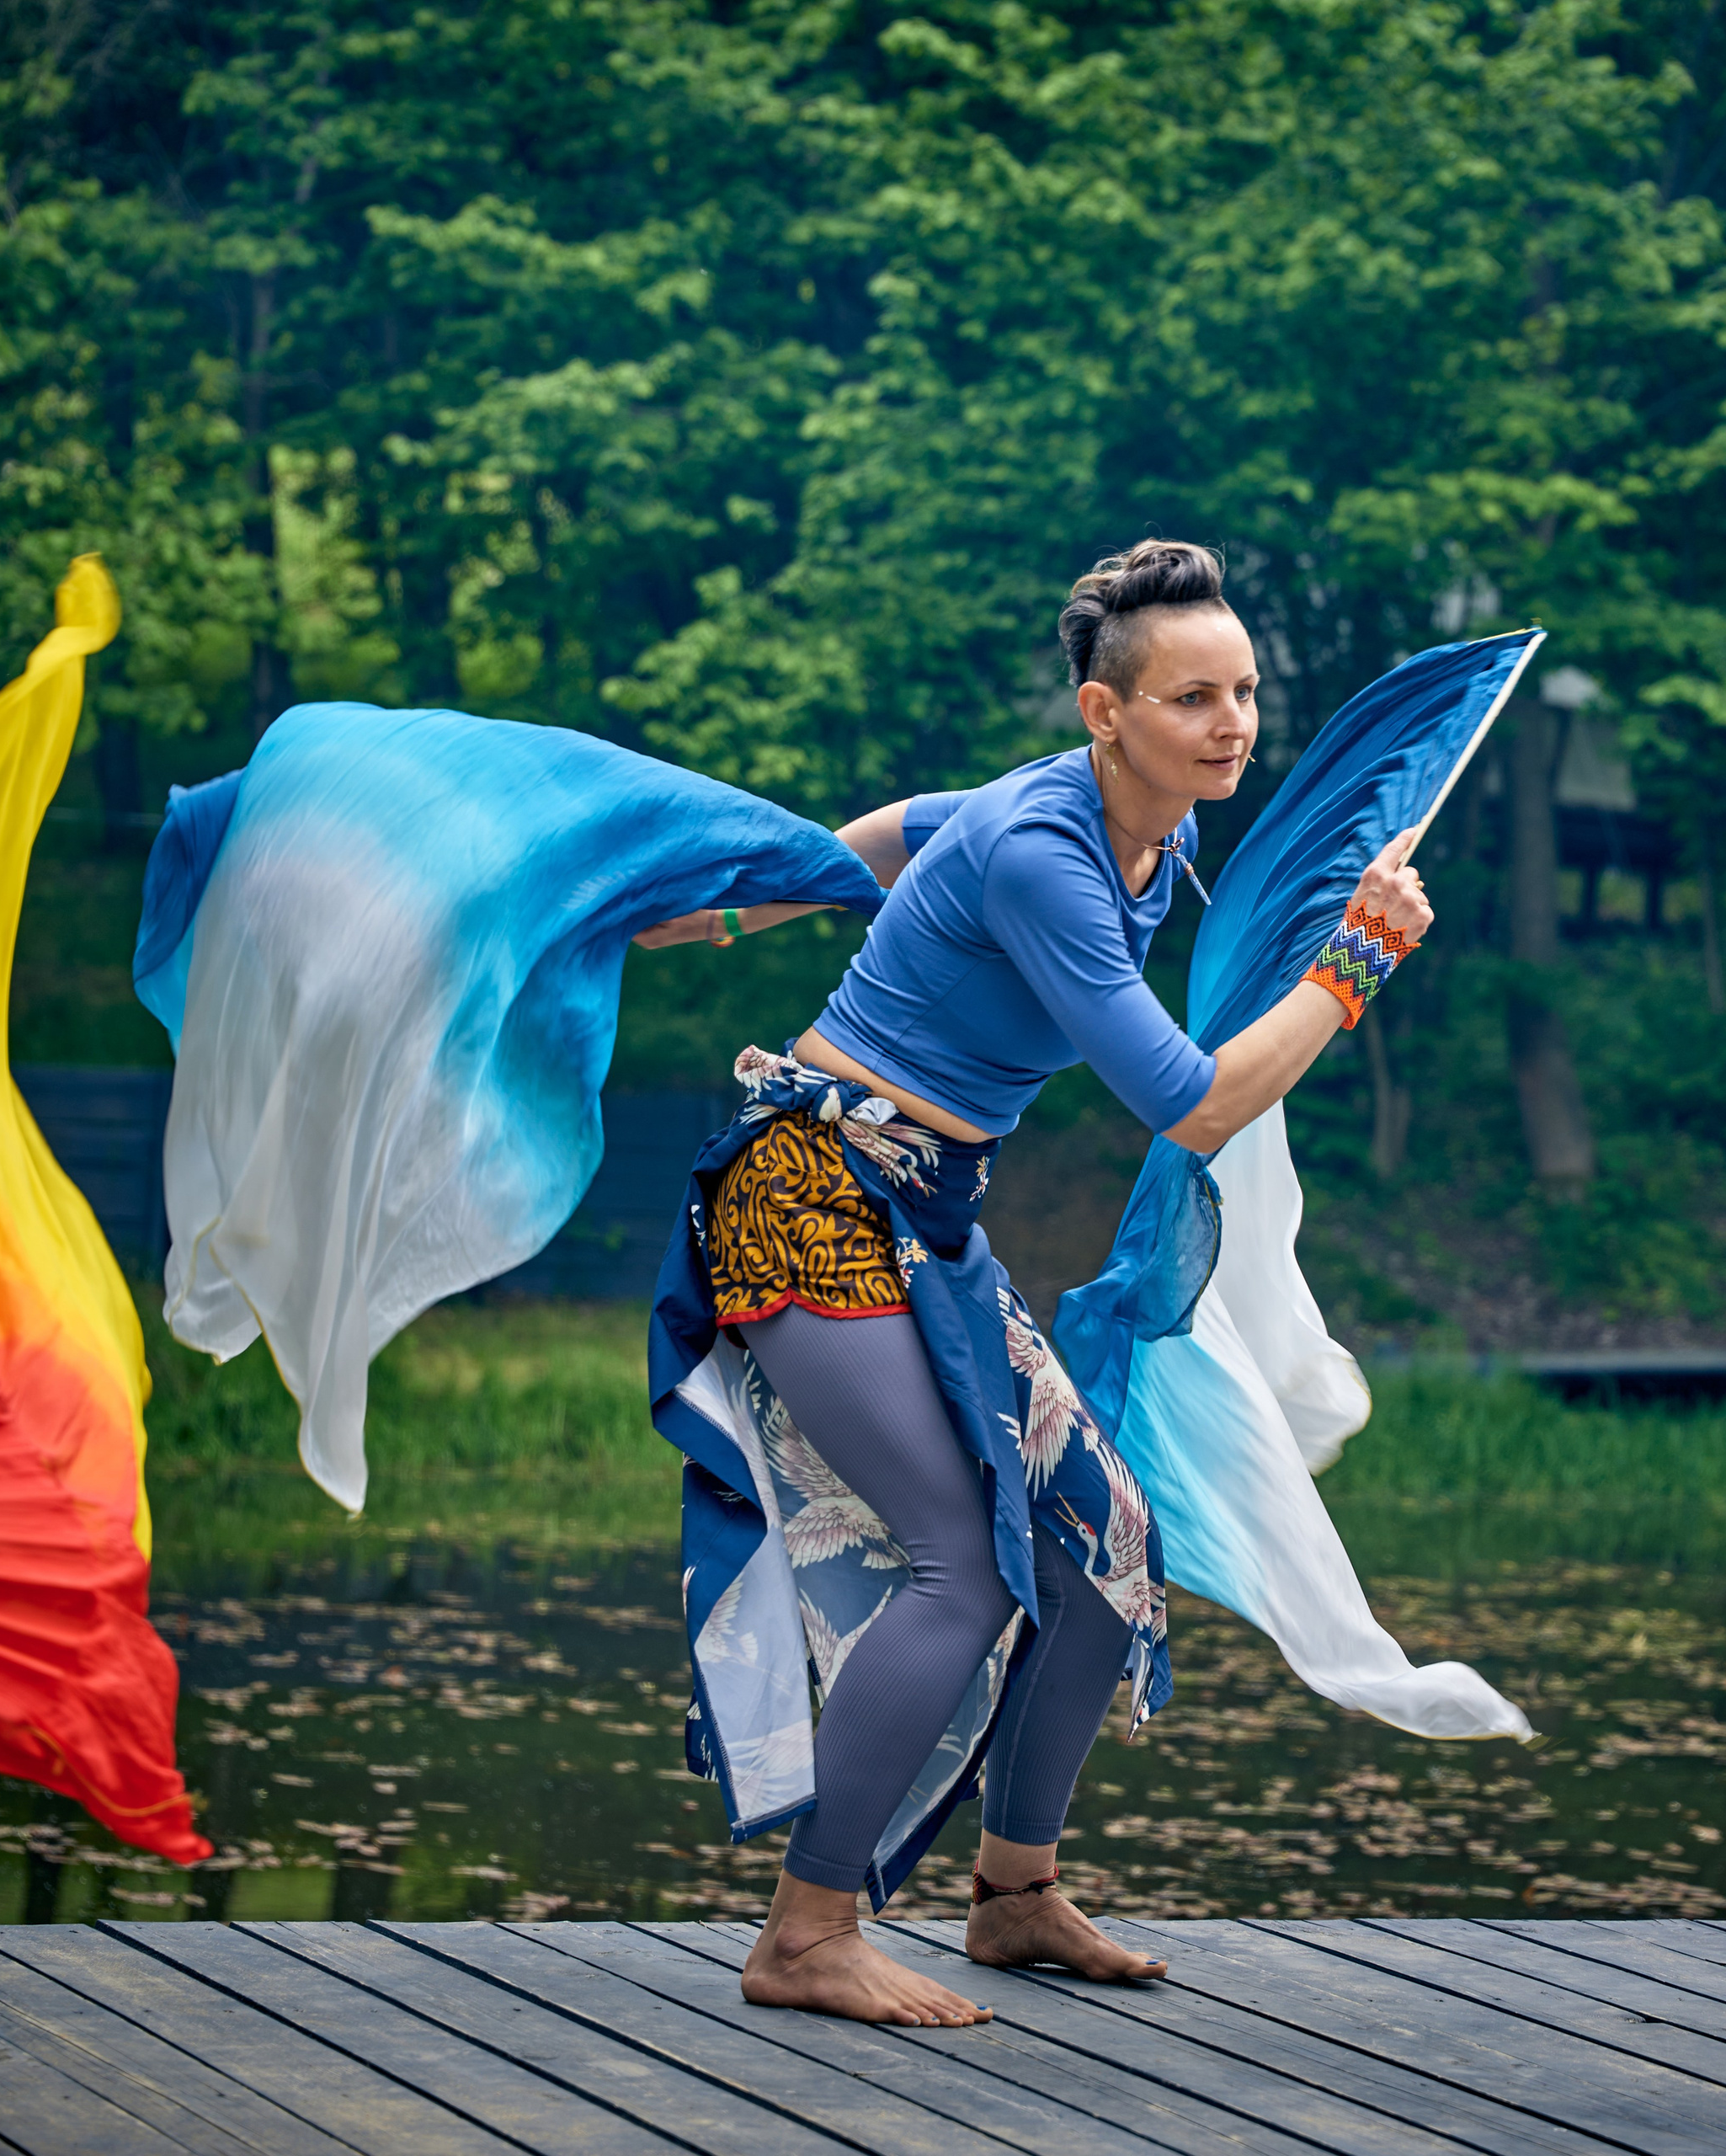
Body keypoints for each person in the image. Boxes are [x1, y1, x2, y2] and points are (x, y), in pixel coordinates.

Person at [637, 540, 1431, 2028]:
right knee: (965, 1562)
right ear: (1103, 711)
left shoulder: (1146, 830)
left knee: (1099, 1544)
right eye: (1194, 697)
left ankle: (1011, 1898)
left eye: (1246, 691)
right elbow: (1190, 1102)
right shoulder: (1043, 849)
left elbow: (887, 840)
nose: (1233, 723)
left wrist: (764, 897)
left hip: (924, 1214)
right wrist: (1352, 974)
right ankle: (805, 1933)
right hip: (805, 1195)